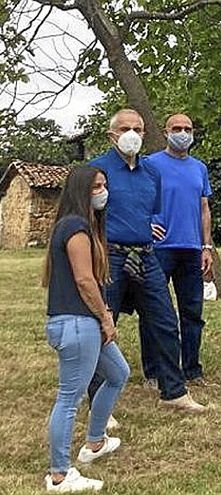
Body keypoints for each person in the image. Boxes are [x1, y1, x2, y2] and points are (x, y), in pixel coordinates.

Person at [90, 108, 205, 412]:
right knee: (103, 325)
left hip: (146, 255)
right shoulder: (96, 171)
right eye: (125, 128)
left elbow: (150, 210)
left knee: (165, 322)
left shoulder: (151, 172)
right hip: (110, 256)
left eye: (137, 129)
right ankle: (97, 400)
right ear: (111, 135)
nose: (131, 134)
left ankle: (174, 391)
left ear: (144, 134)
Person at [42, 166, 130, 492]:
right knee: (70, 397)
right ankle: (60, 474)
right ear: (81, 190)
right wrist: (106, 317)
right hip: (78, 324)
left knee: (118, 372)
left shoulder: (81, 226)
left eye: (105, 185)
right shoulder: (76, 227)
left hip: (81, 324)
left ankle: (95, 442)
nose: (103, 192)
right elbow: (84, 279)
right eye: (96, 186)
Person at [146, 113, 214, 387]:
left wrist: (206, 246)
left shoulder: (199, 168)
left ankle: (191, 369)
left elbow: (204, 208)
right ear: (165, 132)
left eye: (187, 128)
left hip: (191, 249)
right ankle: (153, 371)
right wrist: (146, 224)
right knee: (155, 313)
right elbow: (138, 198)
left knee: (192, 312)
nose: (183, 133)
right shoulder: (150, 164)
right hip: (159, 249)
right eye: (177, 128)